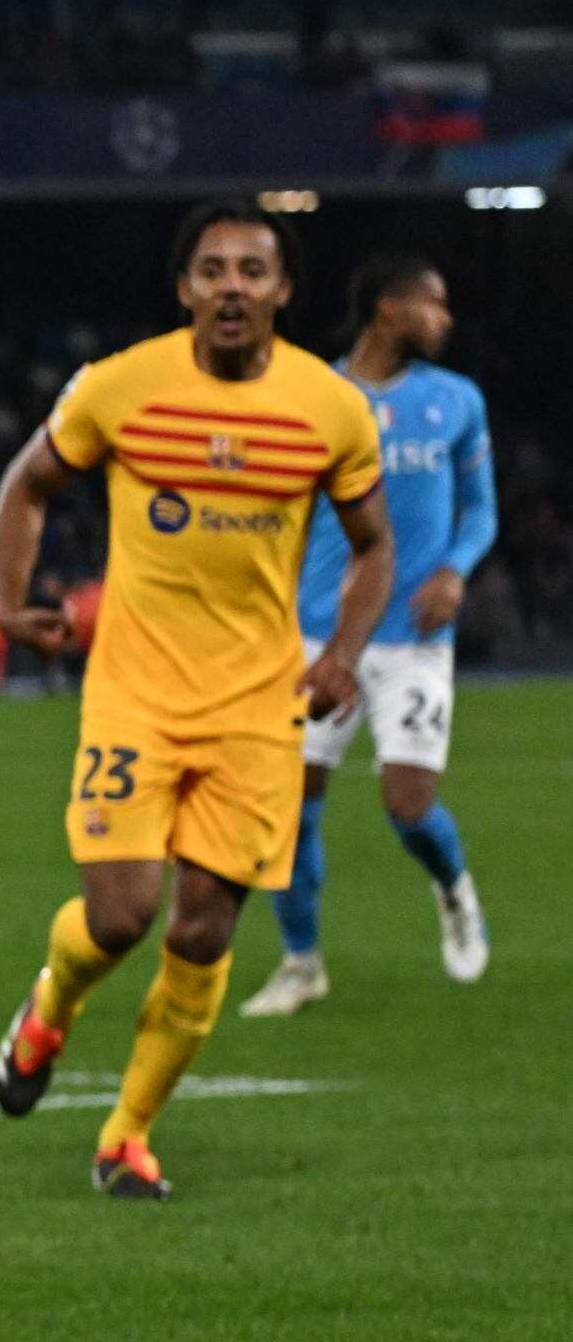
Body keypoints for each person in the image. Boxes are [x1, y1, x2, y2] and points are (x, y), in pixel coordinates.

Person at [0, 199, 393, 1200]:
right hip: (134, 694)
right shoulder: (122, 387)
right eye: (212, 270)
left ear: (282, 291)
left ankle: (127, 1132)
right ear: (185, 290)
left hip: (258, 706)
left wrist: (343, 650)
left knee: (205, 930)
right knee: (121, 914)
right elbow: (27, 484)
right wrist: (7, 599)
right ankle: (51, 1004)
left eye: (252, 271)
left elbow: (376, 543)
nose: (232, 287)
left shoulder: (332, 407)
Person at [242, 254, 496, 1015]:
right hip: (317, 635)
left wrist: (454, 569)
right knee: (292, 805)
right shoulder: (311, 395)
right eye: (434, 305)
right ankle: (300, 962)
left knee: (409, 804)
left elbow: (480, 509)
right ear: (389, 310)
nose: (445, 320)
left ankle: (454, 889)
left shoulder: (456, 402)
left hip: (412, 639)